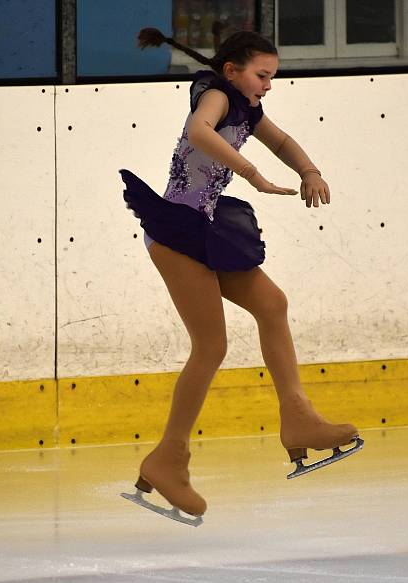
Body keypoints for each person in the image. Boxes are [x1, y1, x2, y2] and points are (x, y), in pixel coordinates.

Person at [119, 27, 362, 524]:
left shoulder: (248, 106)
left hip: (207, 225)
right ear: (233, 71)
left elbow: (283, 140)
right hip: (177, 231)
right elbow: (198, 132)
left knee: (273, 305)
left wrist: (309, 171)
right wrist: (253, 176)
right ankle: (169, 457)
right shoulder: (213, 95)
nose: (269, 85)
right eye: (262, 76)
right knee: (211, 346)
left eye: (273, 77)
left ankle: (298, 419)